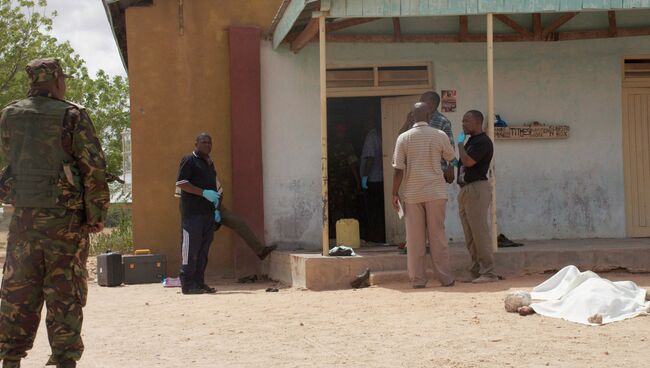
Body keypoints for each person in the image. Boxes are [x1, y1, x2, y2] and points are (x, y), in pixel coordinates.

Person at [0, 58, 109, 368]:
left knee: (19, 290)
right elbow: (93, 168)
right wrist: (96, 214)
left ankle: (10, 358)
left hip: (23, 220)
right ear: (58, 80)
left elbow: (11, 162)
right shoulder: (72, 115)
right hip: (65, 223)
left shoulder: (9, 115)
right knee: (65, 292)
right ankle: (63, 360)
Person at [175, 134, 276, 295]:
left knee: (203, 251)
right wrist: (203, 193)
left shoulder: (209, 163)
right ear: (196, 144)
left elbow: (216, 189)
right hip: (192, 213)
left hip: (208, 212)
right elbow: (181, 183)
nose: (207, 145)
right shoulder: (188, 160)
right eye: (204, 142)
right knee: (191, 250)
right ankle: (187, 284)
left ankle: (200, 283)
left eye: (210, 142)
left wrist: (216, 208)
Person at [391, 102, 456, 288]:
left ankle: (418, 280)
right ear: (430, 116)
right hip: (436, 192)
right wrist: (451, 169)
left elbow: (398, 170)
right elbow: (452, 158)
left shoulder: (403, 138)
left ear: (411, 116)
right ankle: (445, 278)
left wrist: (394, 193)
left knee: (414, 240)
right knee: (438, 237)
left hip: (412, 195)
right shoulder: (440, 135)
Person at [457, 110, 497, 283]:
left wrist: (459, 145)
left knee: (479, 232)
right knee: (470, 234)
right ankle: (475, 270)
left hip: (477, 189)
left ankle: (489, 272)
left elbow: (468, 162)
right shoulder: (471, 141)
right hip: (466, 189)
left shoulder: (483, 142)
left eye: (467, 121)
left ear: (477, 122)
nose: (463, 124)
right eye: (463, 121)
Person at [327, 122, 361, 238]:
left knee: (335, 208)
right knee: (348, 208)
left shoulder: (329, 145)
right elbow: (352, 164)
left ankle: (335, 234)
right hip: (345, 183)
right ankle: (347, 235)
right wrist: (358, 182)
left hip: (332, 183)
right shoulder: (347, 145)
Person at [360, 120, 385, 243]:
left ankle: (375, 236)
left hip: (373, 179)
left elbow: (370, 158)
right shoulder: (380, 135)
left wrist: (365, 177)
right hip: (380, 178)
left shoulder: (371, 137)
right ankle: (380, 235)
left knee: (373, 209)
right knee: (379, 208)